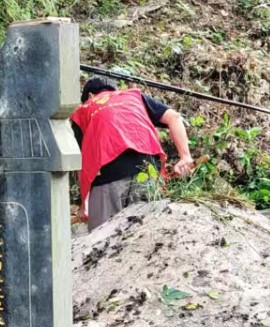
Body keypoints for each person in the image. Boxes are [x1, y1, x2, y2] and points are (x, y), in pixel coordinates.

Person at [70, 77, 193, 230]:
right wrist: (185, 157)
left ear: (89, 96)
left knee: (102, 241)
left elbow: (82, 162)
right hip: (148, 170)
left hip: (108, 177)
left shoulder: (83, 110)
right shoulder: (134, 96)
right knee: (145, 235)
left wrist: (84, 204)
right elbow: (174, 117)